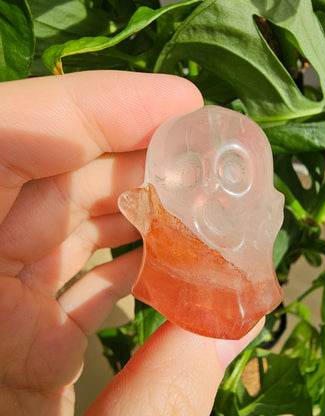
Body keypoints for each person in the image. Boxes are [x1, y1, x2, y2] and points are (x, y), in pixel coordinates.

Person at [0, 71, 264, 415]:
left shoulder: (247, 262)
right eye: (195, 173)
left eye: (232, 173)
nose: (212, 189)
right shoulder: (164, 230)